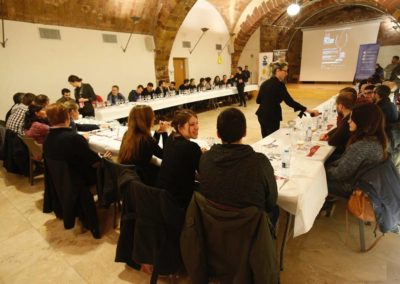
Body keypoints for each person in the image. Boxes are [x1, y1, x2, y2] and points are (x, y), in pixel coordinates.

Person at [199, 107, 278, 223]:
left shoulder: (205, 158)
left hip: (213, 224)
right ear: (245, 132)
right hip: (249, 227)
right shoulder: (260, 162)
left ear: (218, 134)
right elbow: (271, 202)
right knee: (275, 210)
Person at [326, 103, 387, 199]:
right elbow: (345, 162)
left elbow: (339, 175)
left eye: (352, 118)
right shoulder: (378, 139)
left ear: (362, 122)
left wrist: (323, 170)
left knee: (310, 180)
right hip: (363, 182)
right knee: (330, 160)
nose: (349, 121)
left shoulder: (361, 147)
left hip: (350, 187)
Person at [256, 61, 319, 137]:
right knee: (272, 138)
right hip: (272, 116)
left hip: (261, 115)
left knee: (265, 138)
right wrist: (308, 110)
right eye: (285, 71)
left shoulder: (265, 83)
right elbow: (290, 102)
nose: (287, 73)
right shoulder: (279, 85)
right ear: (277, 71)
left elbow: (258, 100)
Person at [156, 109, 202, 209]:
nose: (197, 127)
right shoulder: (192, 147)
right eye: (192, 124)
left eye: (197, 123)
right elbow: (204, 173)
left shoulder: (170, 138)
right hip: (180, 201)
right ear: (180, 127)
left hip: (163, 196)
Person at [118, 105, 169, 185]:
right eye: (153, 116)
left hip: (129, 177)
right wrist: (165, 133)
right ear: (146, 120)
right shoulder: (146, 139)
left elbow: (150, 147)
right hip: (143, 181)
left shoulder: (128, 134)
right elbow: (166, 156)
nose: (154, 119)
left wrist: (158, 134)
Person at [320, 92, 355, 160]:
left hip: (342, 155)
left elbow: (333, 141)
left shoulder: (347, 120)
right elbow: (339, 128)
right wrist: (328, 134)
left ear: (341, 106)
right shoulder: (351, 115)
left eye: (337, 104)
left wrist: (329, 137)